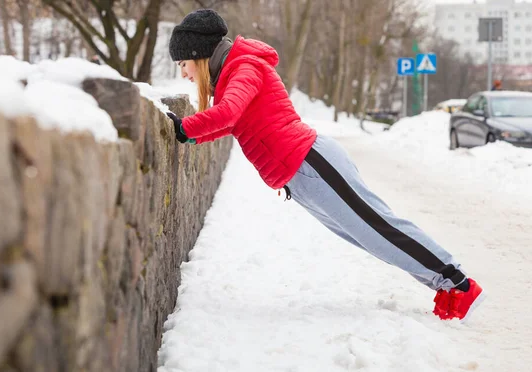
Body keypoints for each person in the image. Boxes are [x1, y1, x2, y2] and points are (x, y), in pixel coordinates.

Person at [165, 9, 484, 321]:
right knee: (368, 238)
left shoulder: (244, 67)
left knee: (377, 228)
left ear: (199, 54)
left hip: (311, 164)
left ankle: (456, 281)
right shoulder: (234, 70)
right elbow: (234, 123)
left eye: (183, 64)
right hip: (302, 176)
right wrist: (191, 137)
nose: (183, 73)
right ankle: (445, 284)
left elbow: (229, 112)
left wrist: (185, 128)